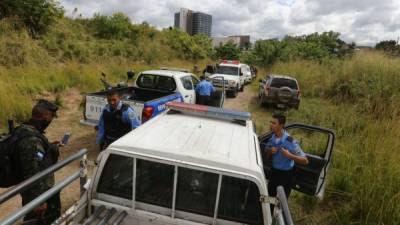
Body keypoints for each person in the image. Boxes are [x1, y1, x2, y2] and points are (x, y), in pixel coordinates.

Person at [13, 99, 61, 225]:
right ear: (45, 116)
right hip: (37, 194)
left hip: (41, 190)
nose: (50, 121)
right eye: (50, 117)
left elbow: (34, 157)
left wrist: (49, 147)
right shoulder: (32, 140)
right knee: (35, 220)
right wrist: (38, 201)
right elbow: (32, 172)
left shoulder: (25, 130)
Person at [264, 113, 308, 200]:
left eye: (274, 123)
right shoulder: (271, 138)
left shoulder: (290, 141)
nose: (271, 125)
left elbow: (305, 160)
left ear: (281, 125)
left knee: (282, 201)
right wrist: (269, 151)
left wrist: (290, 155)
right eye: (270, 122)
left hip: (286, 176)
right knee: (270, 198)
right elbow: (266, 154)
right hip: (274, 173)